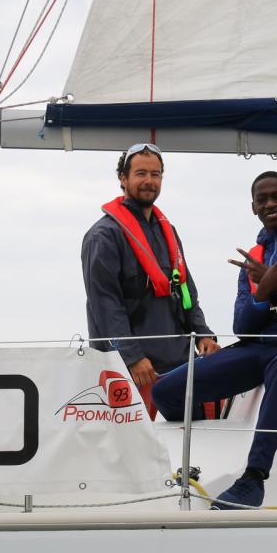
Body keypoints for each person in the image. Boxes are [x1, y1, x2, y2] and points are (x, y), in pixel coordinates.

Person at [152, 171, 277, 508]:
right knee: (165, 391)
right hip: (258, 348)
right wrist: (263, 291)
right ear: (253, 207)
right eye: (262, 200)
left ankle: (254, 478)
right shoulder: (252, 259)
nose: (270, 204)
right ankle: (198, 461)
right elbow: (242, 328)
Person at [81, 142, 218, 416]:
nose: (149, 181)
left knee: (191, 440)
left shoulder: (168, 231)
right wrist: (132, 357)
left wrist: (203, 333)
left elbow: (186, 291)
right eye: (140, 173)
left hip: (179, 367)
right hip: (131, 372)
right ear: (123, 178)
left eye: (155, 174)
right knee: (130, 445)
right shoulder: (103, 236)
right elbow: (105, 305)